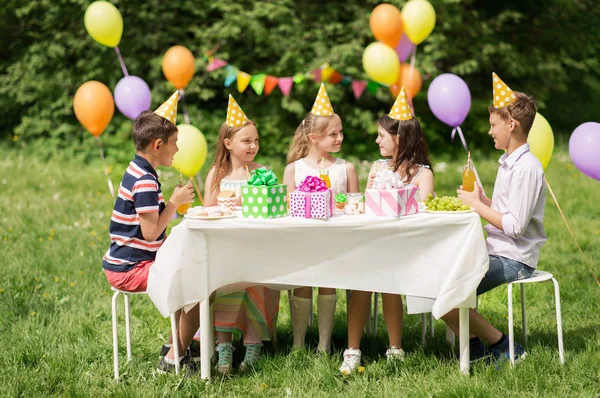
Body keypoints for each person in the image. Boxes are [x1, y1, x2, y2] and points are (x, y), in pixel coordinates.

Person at [442, 73, 546, 364]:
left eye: (493, 125)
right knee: (438, 280)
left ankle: (504, 347)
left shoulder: (527, 168)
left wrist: (477, 206)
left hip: (515, 258)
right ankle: (477, 351)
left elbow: (514, 226)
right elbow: (505, 211)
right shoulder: (508, 164)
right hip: (497, 250)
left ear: (511, 125)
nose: (490, 132)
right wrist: (484, 200)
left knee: (446, 292)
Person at [339, 87, 434, 374]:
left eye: (381, 135)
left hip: (404, 247)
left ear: (400, 138)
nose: (376, 139)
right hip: (371, 242)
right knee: (363, 282)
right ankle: (352, 349)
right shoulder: (377, 169)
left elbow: (425, 216)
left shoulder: (422, 174)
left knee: (390, 281)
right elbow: (367, 205)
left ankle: (395, 348)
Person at [283, 83, 359, 354]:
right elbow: (289, 208)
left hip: (336, 241)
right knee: (302, 284)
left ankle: (324, 345)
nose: (339, 138)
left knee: (327, 282)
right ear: (313, 137)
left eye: (340, 133)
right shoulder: (293, 170)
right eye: (332, 134)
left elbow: (354, 206)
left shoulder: (346, 168)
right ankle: (298, 343)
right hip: (302, 240)